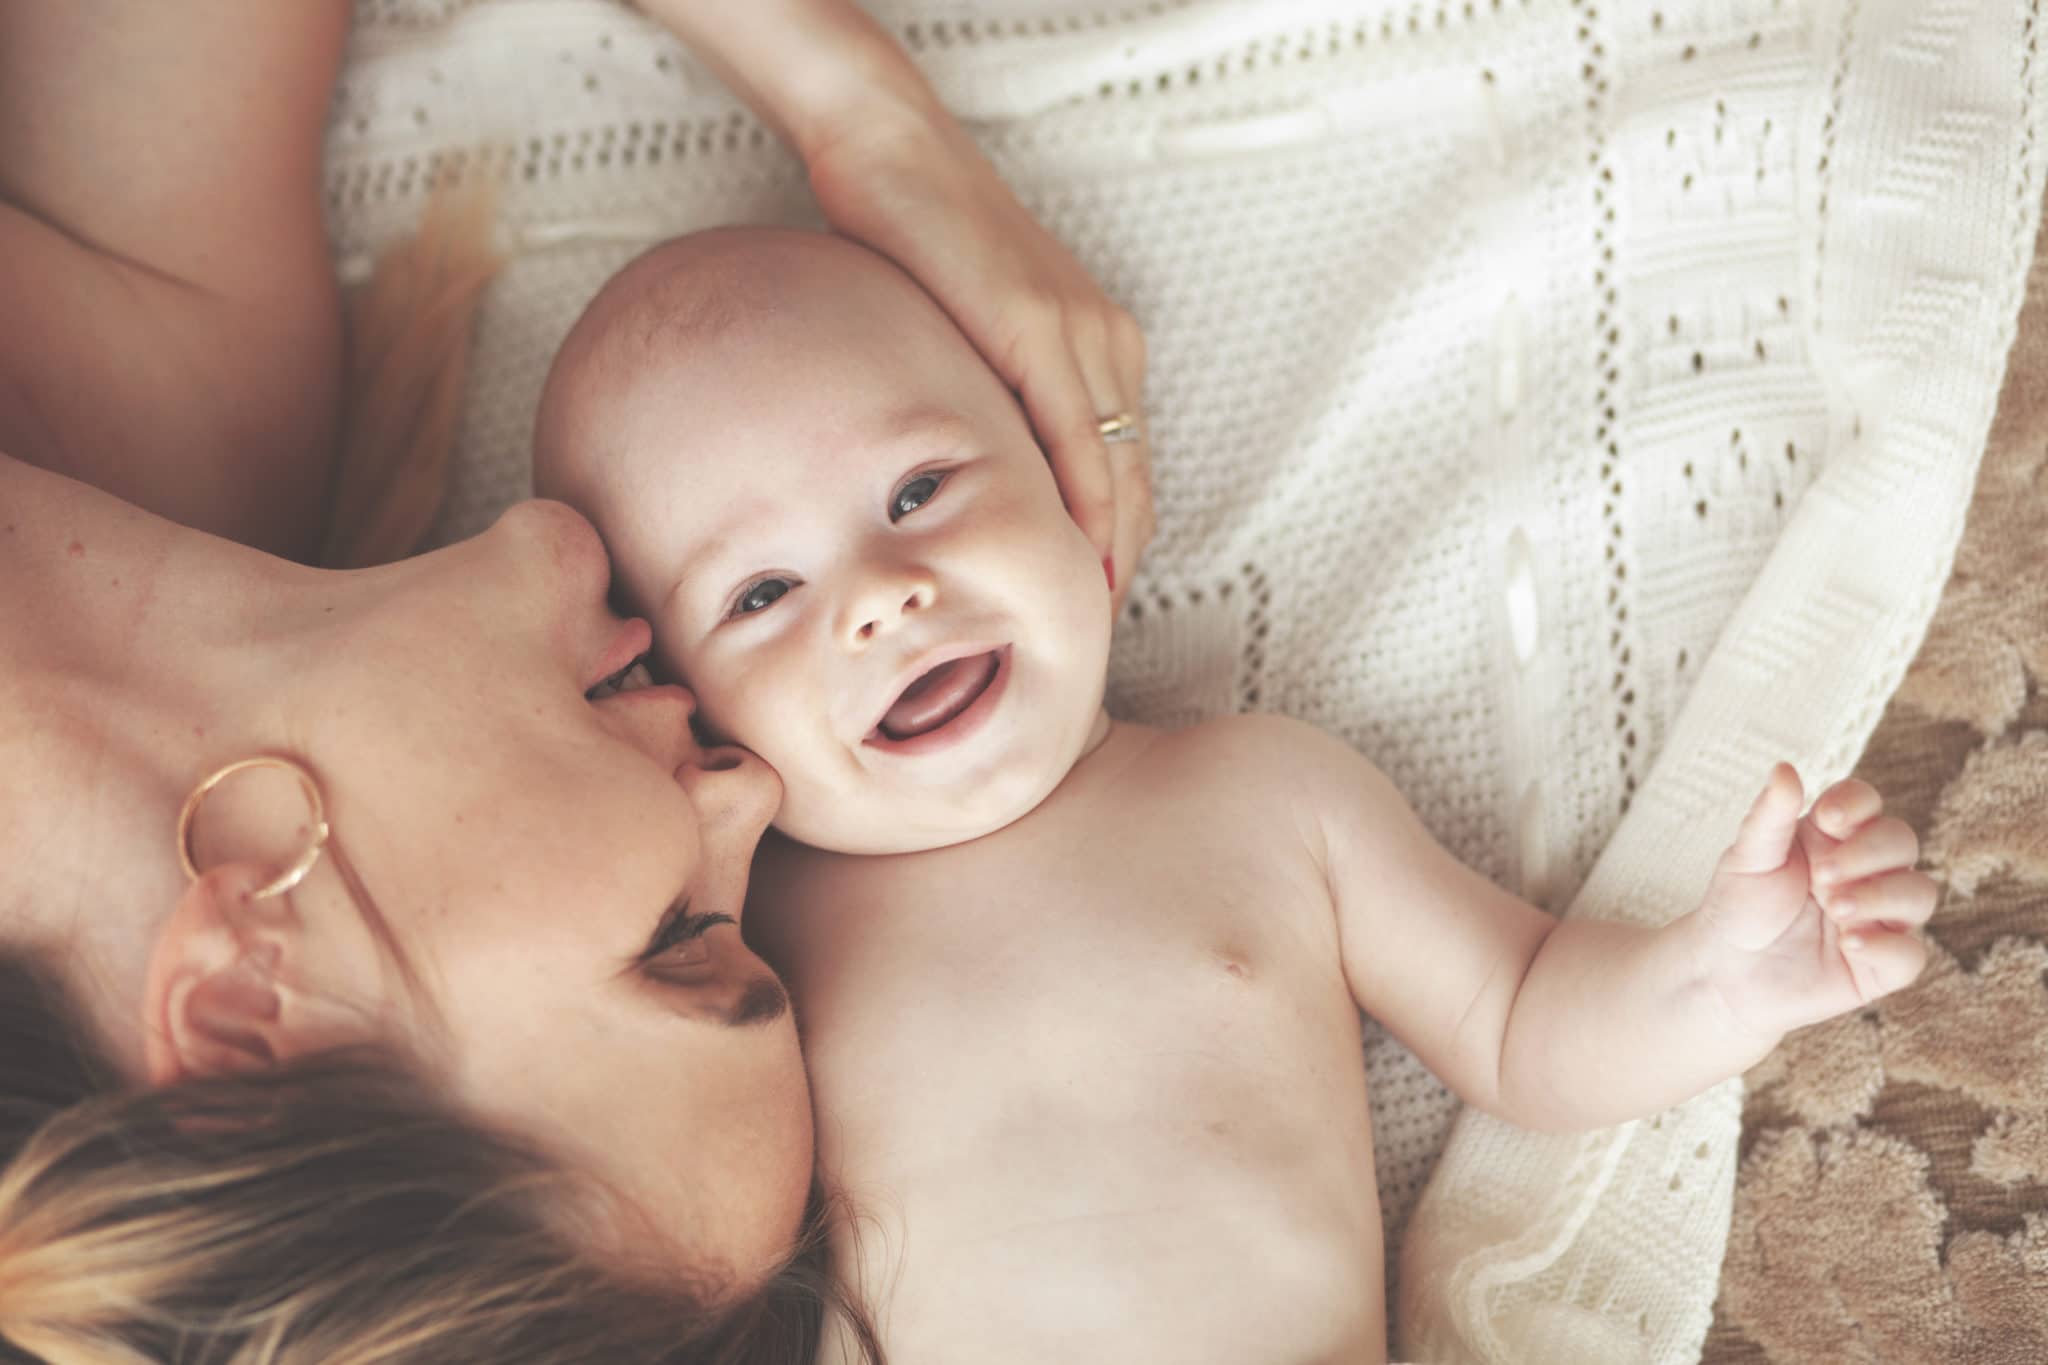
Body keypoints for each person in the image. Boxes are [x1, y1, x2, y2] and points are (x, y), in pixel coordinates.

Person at [533, 225, 1940, 1364]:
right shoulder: (751, 941)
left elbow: (1523, 1022)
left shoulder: (1266, 796)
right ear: (686, 711)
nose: (882, 597)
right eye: (763, 592)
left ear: (1071, 483)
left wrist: (1719, 977)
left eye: (918, 489)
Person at [0, 2, 1147, 1359]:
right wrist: (866, 119)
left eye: (679, 937)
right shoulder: (185, 404)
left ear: (251, 1009)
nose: (751, 787)